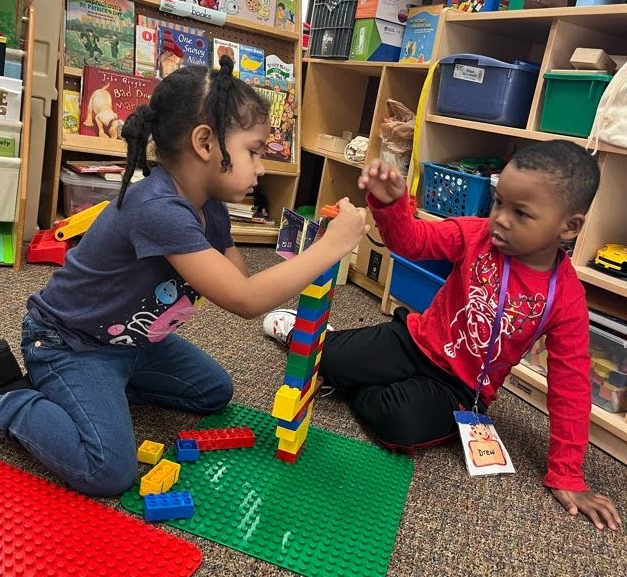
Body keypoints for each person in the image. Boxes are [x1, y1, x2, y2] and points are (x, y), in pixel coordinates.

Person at [0, 58, 367, 497]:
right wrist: (330, 247)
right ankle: (12, 397)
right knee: (109, 471)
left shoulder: (208, 205)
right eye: (253, 151)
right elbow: (245, 299)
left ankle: (101, 394)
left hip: (134, 343)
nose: (262, 168)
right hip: (69, 343)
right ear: (205, 142)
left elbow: (235, 274)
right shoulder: (158, 209)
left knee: (213, 392)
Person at [264, 140, 621, 530]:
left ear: (569, 226)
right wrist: (389, 205)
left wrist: (567, 474)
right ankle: (330, 347)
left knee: (399, 427)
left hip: (461, 388)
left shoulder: (566, 298)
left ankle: (358, 380)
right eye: (499, 202)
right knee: (325, 358)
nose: (500, 218)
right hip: (414, 341)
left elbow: (570, 386)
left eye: (521, 213)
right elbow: (412, 242)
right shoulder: (475, 235)